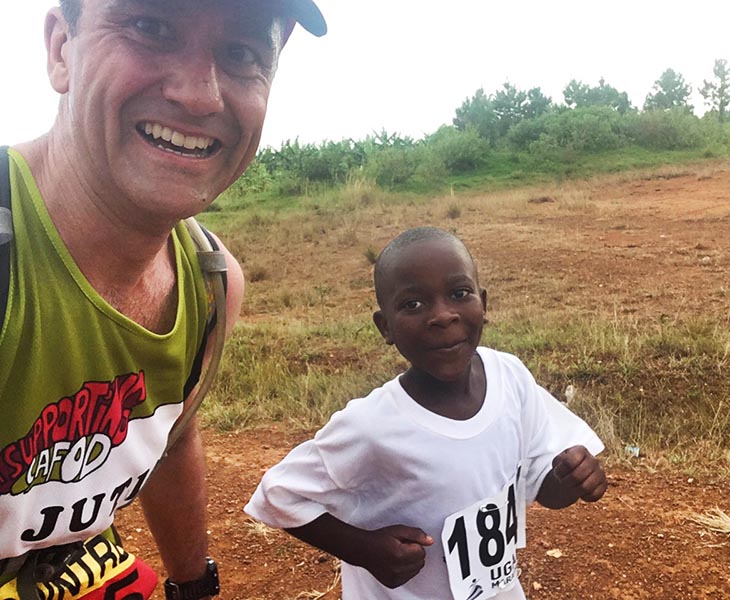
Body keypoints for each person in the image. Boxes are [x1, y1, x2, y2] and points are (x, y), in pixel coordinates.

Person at [0, 0, 326, 599]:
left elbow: (169, 438)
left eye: (242, 54)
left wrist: (192, 585)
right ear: (60, 49)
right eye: (150, 27)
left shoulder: (210, 284)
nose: (200, 96)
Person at [245, 226, 608, 600]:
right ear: (385, 327)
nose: (443, 315)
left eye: (459, 293)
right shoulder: (373, 426)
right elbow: (279, 493)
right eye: (413, 304)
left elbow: (539, 485)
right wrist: (362, 549)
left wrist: (569, 481)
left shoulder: (510, 377)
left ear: (483, 303)